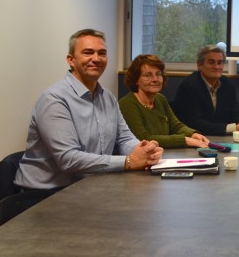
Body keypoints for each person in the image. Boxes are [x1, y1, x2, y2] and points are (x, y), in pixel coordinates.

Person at [15, 29, 163, 191]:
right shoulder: (54, 99)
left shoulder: (108, 97)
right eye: (88, 52)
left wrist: (144, 151)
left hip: (90, 187)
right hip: (45, 195)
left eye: (102, 53)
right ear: (71, 60)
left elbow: (124, 138)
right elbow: (68, 159)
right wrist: (128, 162)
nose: (96, 59)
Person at [119, 54, 211, 149]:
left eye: (158, 74)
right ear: (136, 80)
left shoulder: (160, 99)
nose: (155, 79)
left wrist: (193, 134)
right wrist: (185, 140)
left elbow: (176, 126)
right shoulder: (127, 104)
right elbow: (144, 138)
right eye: (148, 75)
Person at [173, 45, 239, 136]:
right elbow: (193, 123)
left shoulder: (227, 84)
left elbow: (235, 114)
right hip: (197, 139)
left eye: (220, 63)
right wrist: (234, 128)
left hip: (222, 139)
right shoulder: (189, 86)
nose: (216, 67)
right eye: (211, 62)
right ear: (200, 65)